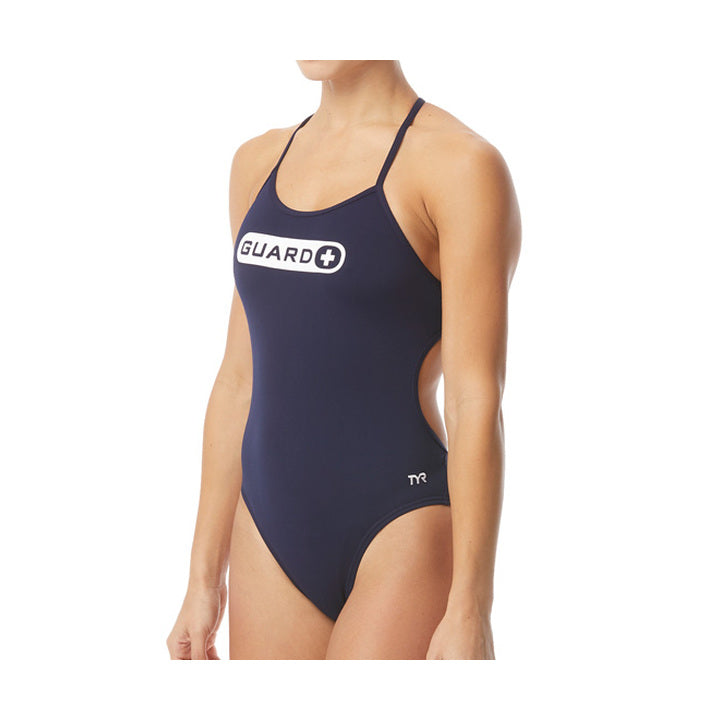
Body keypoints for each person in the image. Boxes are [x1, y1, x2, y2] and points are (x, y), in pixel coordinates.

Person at [166, 60, 521, 660]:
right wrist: (202, 580)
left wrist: (471, 606)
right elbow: (238, 380)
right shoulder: (258, 161)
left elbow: (474, 398)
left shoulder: (458, 165)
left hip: (398, 521)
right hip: (269, 525)